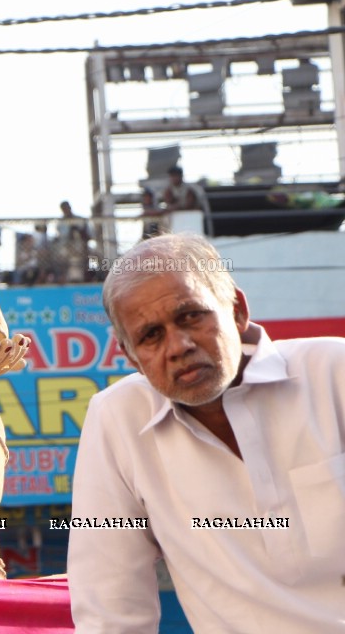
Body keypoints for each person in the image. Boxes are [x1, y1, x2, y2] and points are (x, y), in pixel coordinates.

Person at [68, 234, 345, 631]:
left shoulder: (334, 372)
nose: (178, 346)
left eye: (191, 316)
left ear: (237, 310)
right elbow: (109, 598)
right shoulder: (118, 418)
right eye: (151, 335)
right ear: (130, 355)